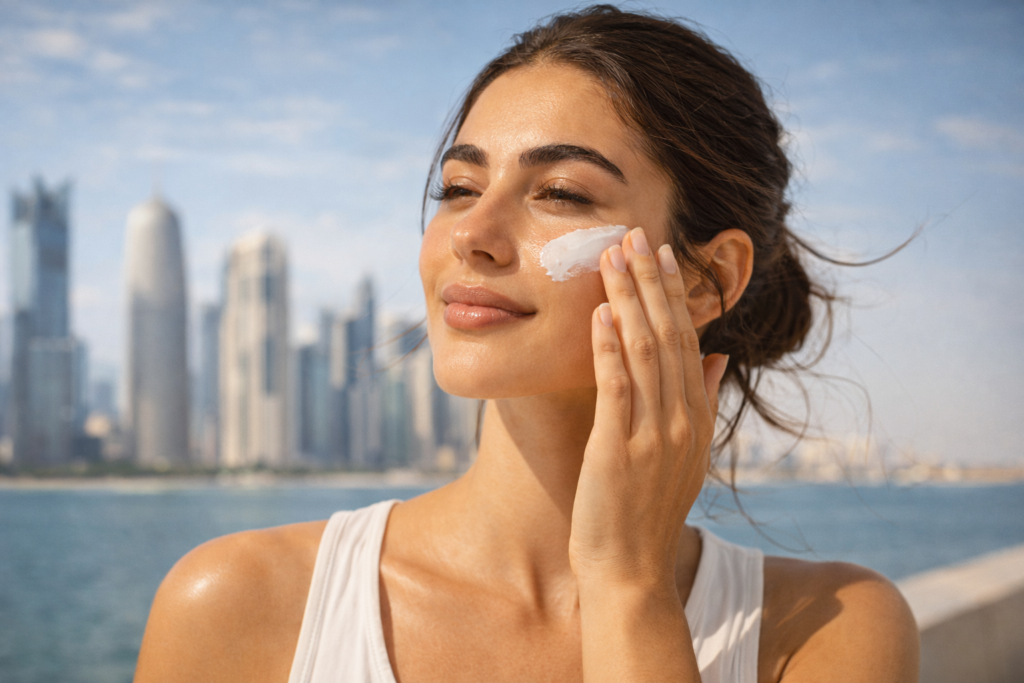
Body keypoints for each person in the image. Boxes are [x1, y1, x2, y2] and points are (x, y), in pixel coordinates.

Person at [135, 6, 919, 682]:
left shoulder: (826, 631)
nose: (472, 235)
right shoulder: (238, 603)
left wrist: (628, 588)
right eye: (459, 188)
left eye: (561, 194)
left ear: (706, 279)